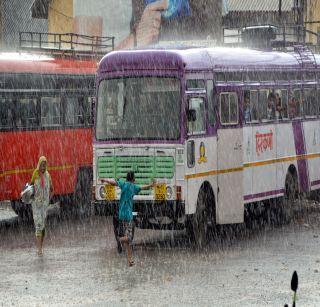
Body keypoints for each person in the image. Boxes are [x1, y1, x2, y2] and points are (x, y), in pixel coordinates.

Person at [102, 172, 155, 266]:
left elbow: (113, 182)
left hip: (121, 214)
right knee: (129, 237)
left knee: (129, 241)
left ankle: (130, 260)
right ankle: (120, 239)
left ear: (127, 178)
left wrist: (105, 180)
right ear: (133, 179)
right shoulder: (133, 187)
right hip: (128, 215)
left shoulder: (123, 184)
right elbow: (143, 188)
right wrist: (151, 185)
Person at [30, 156, 54, 256]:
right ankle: (39, 250)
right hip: (36, 204)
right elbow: (31, 187)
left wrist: (48, 200)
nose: (43, 167)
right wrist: (29, 195)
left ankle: (41, 247)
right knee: (39, 225)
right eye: (42, 165)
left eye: (45, 165)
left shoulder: (48, 175)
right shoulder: (35, 174)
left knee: (43, 227)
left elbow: (52, 189)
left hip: (44, 205)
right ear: (39, 165)